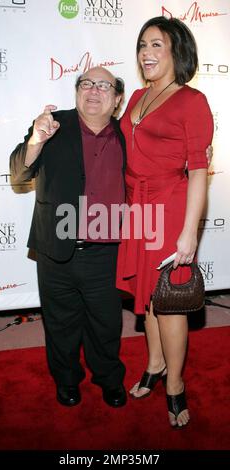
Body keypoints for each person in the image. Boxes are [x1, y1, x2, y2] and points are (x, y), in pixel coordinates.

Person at [10, 66, 127, 408]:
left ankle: (109, 378)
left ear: (117, 99)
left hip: (105, 252)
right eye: (86, 83)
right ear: (77, 91)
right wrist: (36, 140)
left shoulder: (127, 135)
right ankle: (66, 381)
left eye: (103, 85)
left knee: (105, 325)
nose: (93, 90)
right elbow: (18, 171)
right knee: (60, 325)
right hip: (54, 250)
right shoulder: (52, 125)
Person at [116, 16, 214, 428]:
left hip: (171, 206)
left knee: (169, 304)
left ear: (177, 51)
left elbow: (196, 170)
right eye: (142, 45)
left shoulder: (192, 101)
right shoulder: (138, 94)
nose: (146, 53)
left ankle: (174, 384)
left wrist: (189, 232)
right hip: (137, 209)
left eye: (157, 45)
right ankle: (154, 364)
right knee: (149, 297)